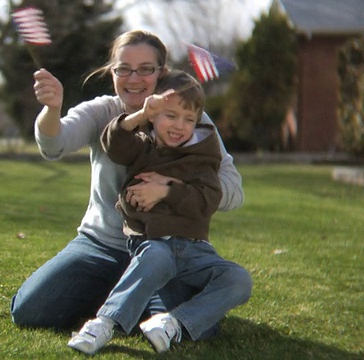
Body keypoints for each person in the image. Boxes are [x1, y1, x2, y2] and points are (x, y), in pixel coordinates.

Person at [10, 29, 244, 336]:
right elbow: (53, 145)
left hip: (165, 248)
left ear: (162, 73)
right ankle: (124, 300)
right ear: (112, 72)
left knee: (202, 330)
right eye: (124, 69)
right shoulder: (102, 112)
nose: (134, 79)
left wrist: (170, 190)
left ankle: (139, 305)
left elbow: (233, 190)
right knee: (29, 309)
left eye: (146, 69)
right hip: (101, 246)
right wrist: (52, 110)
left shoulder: (188, 120)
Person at [66, 69, 253, 355]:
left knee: (239, 279)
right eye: (171, 116)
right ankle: (104, 323)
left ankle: (173, 323)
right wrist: (141, 115)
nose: (179, 126)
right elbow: (113, 145)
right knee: (157, 256)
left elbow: (208, 199)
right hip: (152, 244)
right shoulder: (144, 145)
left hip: (195, 251)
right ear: (154, 116)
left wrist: (167, 190)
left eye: (189, 119)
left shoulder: (203, 153)